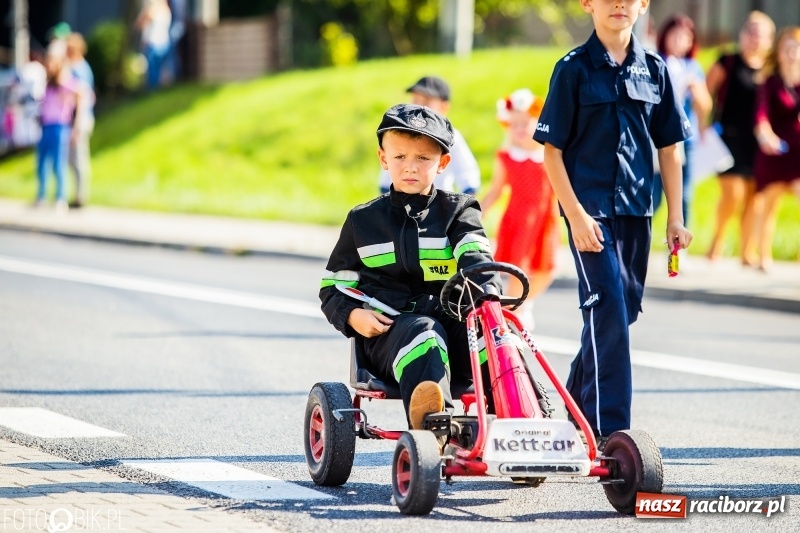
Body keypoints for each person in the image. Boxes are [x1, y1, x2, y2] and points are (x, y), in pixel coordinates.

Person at [533, 0, 692, 446]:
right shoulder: (572, 69)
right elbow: (552, 152)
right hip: (591, 214)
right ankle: (611, 435)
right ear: (588, 4)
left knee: (621, 315)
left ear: (643, 5)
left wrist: (676, 217)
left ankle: (570, 411)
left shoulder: (656, 70)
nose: (618, 4)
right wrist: (576, 214)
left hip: (637, 211)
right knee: (608, 312)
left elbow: (670, 150)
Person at [321, 104, 500, 430]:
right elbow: (333, 286)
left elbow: (475, 255)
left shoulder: (458, 212)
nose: (410, 168)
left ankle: (528, 422)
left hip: (453, 325)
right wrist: (353, 316)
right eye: (400, 157)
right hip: (391, 332)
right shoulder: (363, 221)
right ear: (383, 158)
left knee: (498, 338)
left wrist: (486, 289)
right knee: (426, 336)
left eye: (423, 159)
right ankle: (435, 428)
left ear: (443, 163)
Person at [481, 88, 560, 330]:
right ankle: (506, 321)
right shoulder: (507, 157)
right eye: (514, 124)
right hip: (518, 219)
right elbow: (495, 190)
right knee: (518, 272)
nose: (520, 129)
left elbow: (561, 189)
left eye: (526, 123)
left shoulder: (550, 154)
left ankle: (523, 304)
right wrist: (476, 213)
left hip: (545, 220)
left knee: (549, 269)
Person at [705, 11, 776, 265]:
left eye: (761, 34)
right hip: (728, 139)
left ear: (769, 40)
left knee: (754, 198)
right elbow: (704, 92)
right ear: (743, 34)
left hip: (758, 143)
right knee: (732, 194)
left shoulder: (770, 71)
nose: (755, 38)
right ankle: (716, 245)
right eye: (751, 31)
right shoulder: (727, 61)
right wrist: (703, 126)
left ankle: (747, 252)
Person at [651, 13, 713, 229]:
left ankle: (679, 241)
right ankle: (643, 235)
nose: (679, 41)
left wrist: (696, 89)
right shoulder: (655, 61)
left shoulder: (692, 67)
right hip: (656, 139)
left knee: (684, 194)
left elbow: (705, 105)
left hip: (685, 139)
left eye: (685, 37)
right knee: (653, 194)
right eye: (675, 35)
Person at [378, 76, 481, 195]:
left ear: (444, 107)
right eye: (416, 100)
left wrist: (461, 209)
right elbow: (386, 181)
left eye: (426, 102)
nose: (419, 107)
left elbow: (468, 176)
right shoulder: (399, 134)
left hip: (439, 206)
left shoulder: (452, 137)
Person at [753, 27, 800, 273]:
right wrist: (765, 134)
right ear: (779, 52)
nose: (792, 52)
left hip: (798, 154)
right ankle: (763, 256)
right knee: (768, 206)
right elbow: (761, 115)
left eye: (796, 47)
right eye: (787, 47)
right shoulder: (770, 83)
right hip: (775, 153)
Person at [35, 50, 83, 212]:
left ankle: (60, 197)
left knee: (58, 163)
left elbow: (81, 93)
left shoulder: (65, 81)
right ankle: (41, 195)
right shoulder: (48, 83)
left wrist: (76, 125)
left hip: (60, 125)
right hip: (46, 125)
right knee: (42, 162)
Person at [66, 33, 95, 209]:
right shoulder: (78, 68)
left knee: (78, 158)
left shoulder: (80, 70)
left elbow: (83, 98)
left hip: (80, 118)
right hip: (77, 118)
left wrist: (77, 125)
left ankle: (80, 195)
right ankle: (77, 193)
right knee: (73, 158)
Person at [136, 0, 172, 90]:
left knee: (153, 72)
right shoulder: (167, 10)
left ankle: (153, 92)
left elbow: (139, 24)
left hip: (153, 44)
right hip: (165, 43)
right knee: (162, 70)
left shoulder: (152, 11)